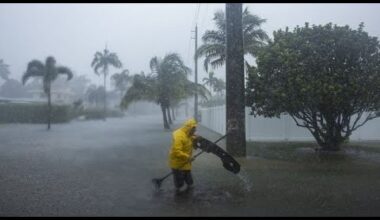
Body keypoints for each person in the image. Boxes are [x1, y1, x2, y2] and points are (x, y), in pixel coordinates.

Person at [168, 118, 198, 194]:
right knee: (179, 183)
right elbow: (176, 151)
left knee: (189, 181)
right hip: (177, 163)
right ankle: (178, 197)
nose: (195, 131)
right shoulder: (179, 136)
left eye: (195, 129)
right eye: (193, 129)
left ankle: (189, 195)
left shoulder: (188, 134)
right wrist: (188, 157)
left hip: (186, 162)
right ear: (189, 128)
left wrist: (195, 139)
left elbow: (189, 139)